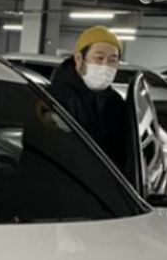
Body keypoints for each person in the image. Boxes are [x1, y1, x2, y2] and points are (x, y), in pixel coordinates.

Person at [48, 25, 127, 171]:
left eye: (112, 60)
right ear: (79, 59)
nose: (106, 66)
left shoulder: (116, 102)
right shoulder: (56, 98)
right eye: (99, 58)